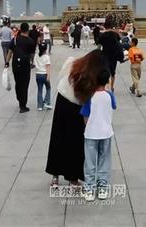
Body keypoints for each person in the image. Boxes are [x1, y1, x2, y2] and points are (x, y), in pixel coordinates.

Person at [46, 50, 106, 188]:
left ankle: (55, 177)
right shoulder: (91, 78)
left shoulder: (73, 62)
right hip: (75, 107)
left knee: (58, 137)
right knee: (76, 142)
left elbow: (62, 77)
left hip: (62, 101)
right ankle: (73, 178)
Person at [80, 68, 116, 201]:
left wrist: (88, 127)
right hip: (106, 132)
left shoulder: (89, 97)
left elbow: (85, 115)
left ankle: (89, 188)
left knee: (89, 162)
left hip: (91, 133)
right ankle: (103, 188)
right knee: (104, 160)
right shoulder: (110, 96)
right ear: (107, 81)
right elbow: (113, 107)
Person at [7, 22, 36, 113]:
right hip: (25, 65)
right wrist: (32, 62)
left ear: (20, 29)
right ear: (27, 30)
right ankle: (23, 105)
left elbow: (10, 52)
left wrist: (7, 62)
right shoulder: (30, 41)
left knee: (18, 82)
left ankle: (19, 99)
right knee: (24, 84)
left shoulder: (15, 39)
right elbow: (32, 54)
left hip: (15, 64)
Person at [96, 17, 124, 91]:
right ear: (111, 26)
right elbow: (119, 42)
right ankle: (112, 87)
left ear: (104, 26)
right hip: (114, 56)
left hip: (105, 56)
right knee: (113, 72)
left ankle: (106, 87)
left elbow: (99, 47)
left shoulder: (102, 35)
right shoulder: (115, 35)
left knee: (106, 71)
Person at [34, 42, 52, 111]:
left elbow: (35, 64)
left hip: (38, 74)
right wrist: (48, 76)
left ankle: (39, 106)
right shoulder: (47, 57)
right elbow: (48, 67)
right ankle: (46, 102)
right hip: (44, 74)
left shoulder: (36, 56)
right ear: (46, 49)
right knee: (48, 88)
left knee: (39, 90)